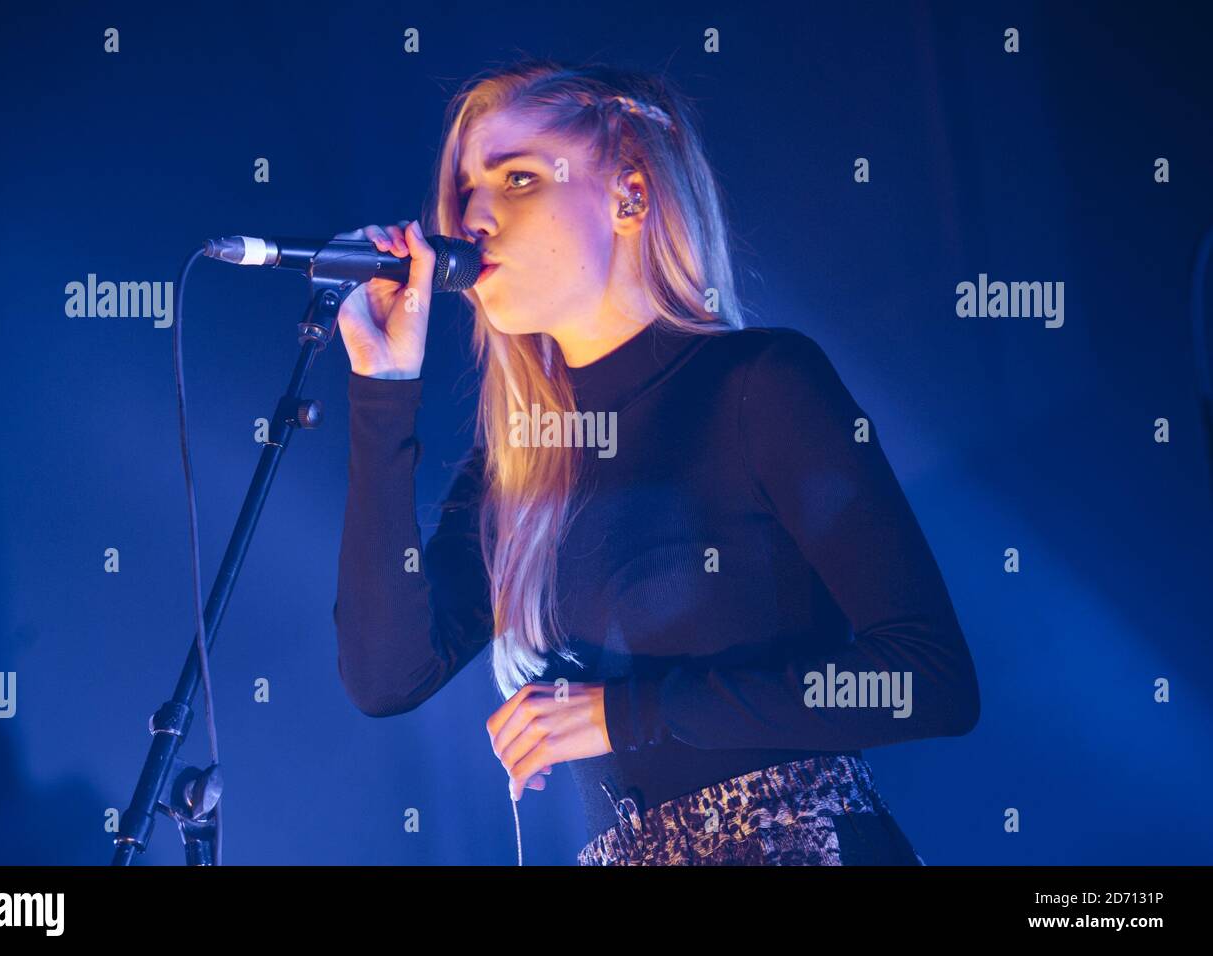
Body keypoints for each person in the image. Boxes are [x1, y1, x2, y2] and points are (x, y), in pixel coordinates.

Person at [332, 59, 980, 866]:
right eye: (465, 192)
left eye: (518, 179)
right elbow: (387, 674)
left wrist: (626, 714)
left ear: (630, 196)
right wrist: (383, 390)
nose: (474, 219)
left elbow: (928, 677)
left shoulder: (760, 384)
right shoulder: (521, 459)